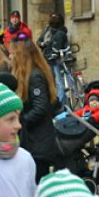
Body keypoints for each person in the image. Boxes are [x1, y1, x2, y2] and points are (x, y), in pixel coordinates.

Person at [7, 35, 59, 181]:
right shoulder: (28, 74)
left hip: (38, 143)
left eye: (13, 53)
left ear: (21, 55)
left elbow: (40, 108)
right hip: (34, 141)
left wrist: (20, 123)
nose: (10, 56)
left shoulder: (35, 76)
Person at [37, 13, 72, 105]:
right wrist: (43, 44)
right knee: (54, 81)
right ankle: (58, 101)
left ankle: (60, 102)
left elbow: (61, 45)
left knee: (58, 81)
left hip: (54, 58)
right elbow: (39, 41)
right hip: (48, 58)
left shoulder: (60, 33)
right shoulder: (48, 31)